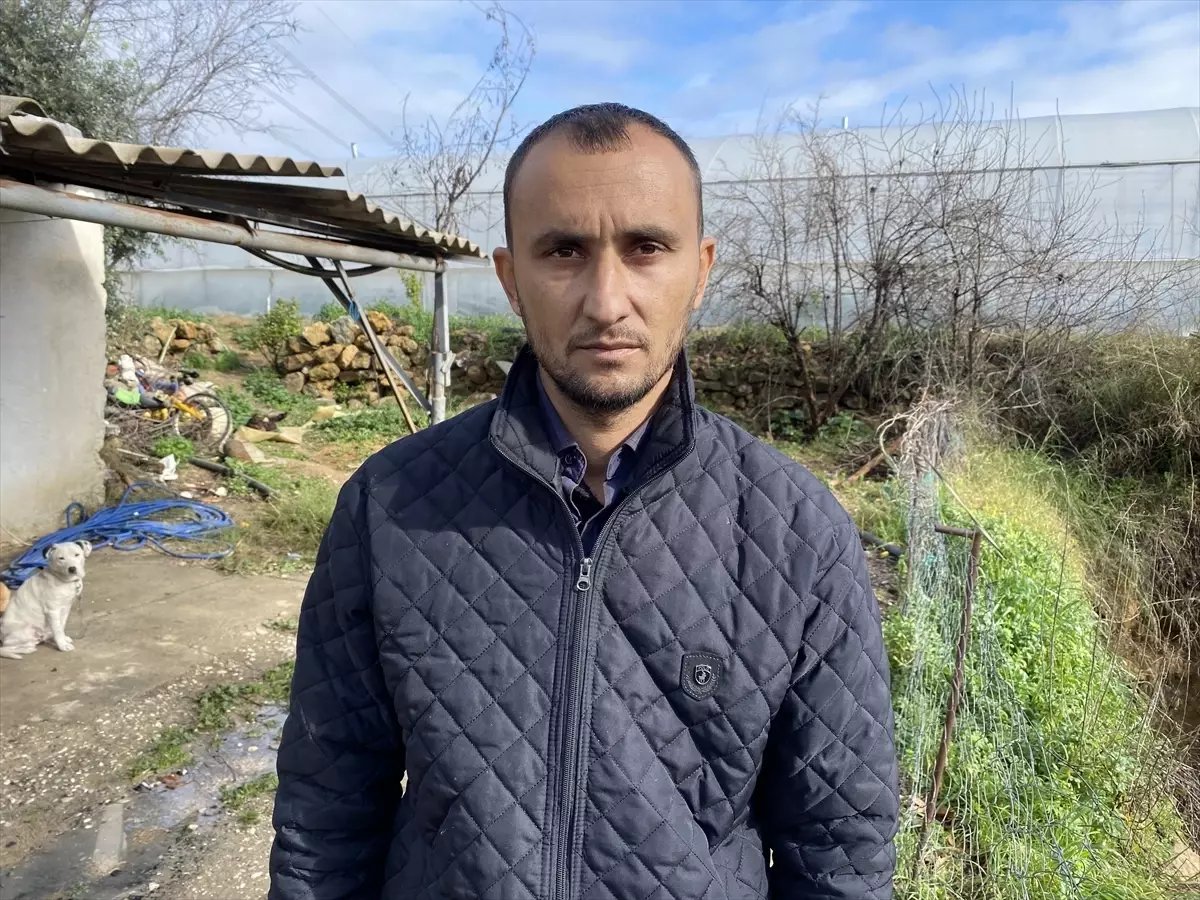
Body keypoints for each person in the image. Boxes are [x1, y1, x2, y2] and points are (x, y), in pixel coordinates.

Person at [269, 103, 898, 900]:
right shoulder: (391, 506)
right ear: (510, 278)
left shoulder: (796, 531)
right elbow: (326, 808)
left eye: (646, 248)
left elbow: (841, 849)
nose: (607, 301)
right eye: (564, 251)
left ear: (701, 270)